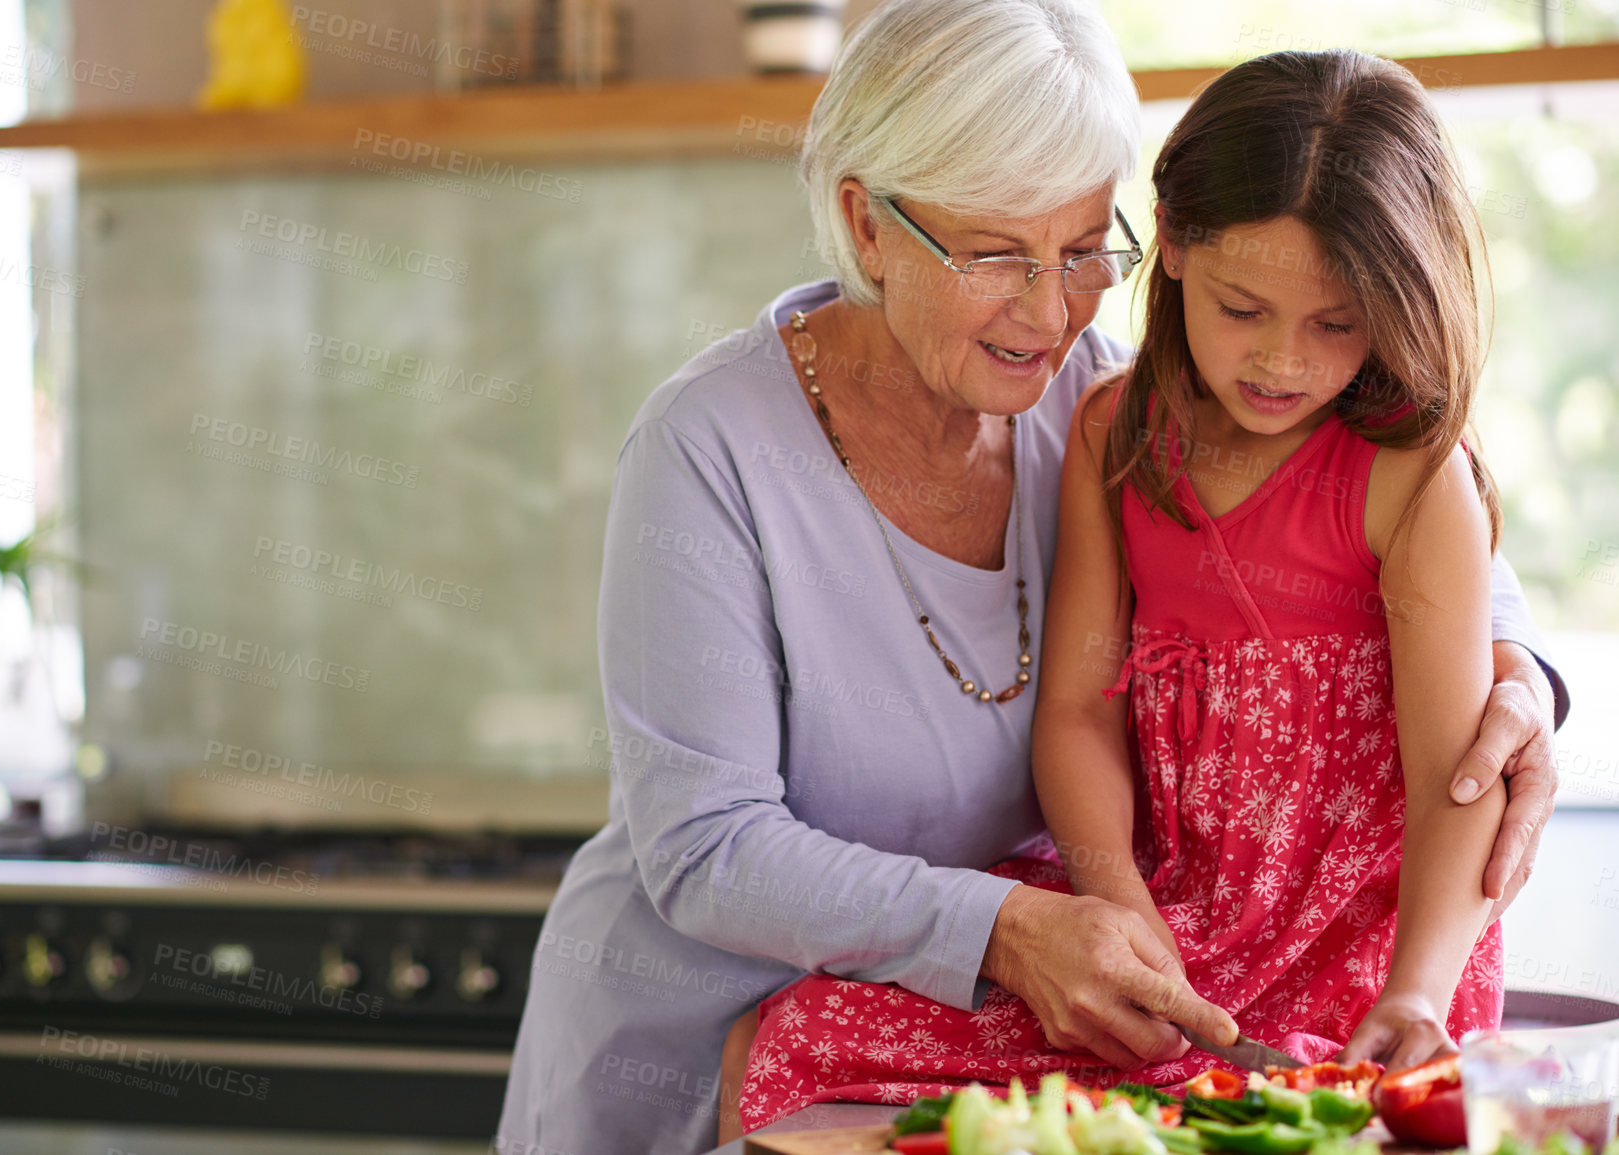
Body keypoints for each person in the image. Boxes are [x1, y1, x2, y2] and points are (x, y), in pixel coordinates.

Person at [496, 4, 1569, 1153]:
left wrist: (1520, 673)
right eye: (998, 255)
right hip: (694, 1048)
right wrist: (1013, 927)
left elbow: (1390, 524)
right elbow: (707, 851)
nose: (1052, 313)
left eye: (1083, 253)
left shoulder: (1101, 397)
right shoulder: (707, 451)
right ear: (867, 226)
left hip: (1022, 1005)